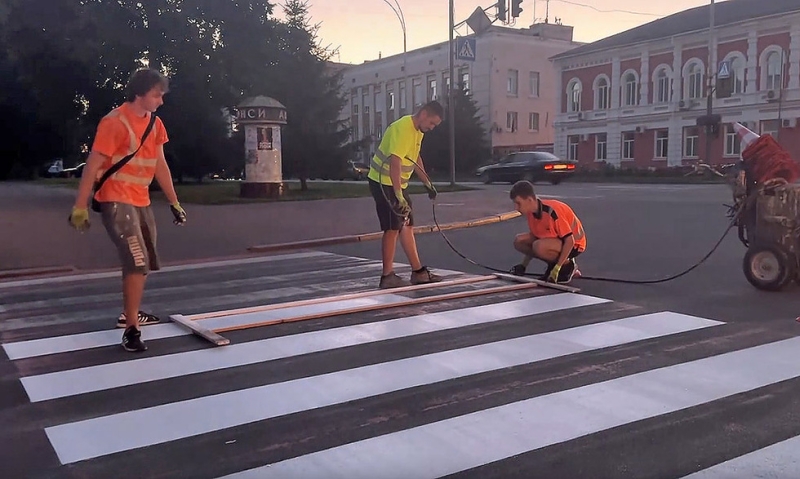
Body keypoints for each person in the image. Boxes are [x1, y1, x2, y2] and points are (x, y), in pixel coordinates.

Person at [68, 68, 187, 352]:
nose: (161, 100)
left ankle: (130, 312)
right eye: (156, 95)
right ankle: (132, 329)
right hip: (116, 200)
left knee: (144, 262)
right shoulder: (114, 122)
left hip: (141, 201)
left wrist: (174, 201)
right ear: (139, 93)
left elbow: (160, 165)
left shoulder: (155, 124)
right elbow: (94, 164)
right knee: (136, 260)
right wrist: (80, 206)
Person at [367, 100, 444, 289]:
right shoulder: (403, 128)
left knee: (407, 225)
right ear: (424, 114)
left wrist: (427, 183)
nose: (432, 128)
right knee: (392, 228)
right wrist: (398, 194)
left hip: (396, 184)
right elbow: (395, 162)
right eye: (432, 123)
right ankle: (387, 276)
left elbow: (415, 157)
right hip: (383, 183)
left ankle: (418, 272)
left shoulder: (418, 131)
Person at [508, 180, 586, 284]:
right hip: (557, 240)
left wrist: (557, 268)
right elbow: (537, 237)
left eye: (518, 203)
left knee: (539, 246)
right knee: (520, 241)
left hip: (575, 244)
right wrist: (523, 265)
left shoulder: (551, 211)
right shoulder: (531, 213)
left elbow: (570, 241)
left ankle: (567, 266)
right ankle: (554, 264)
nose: (516, 208)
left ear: (530, 200)